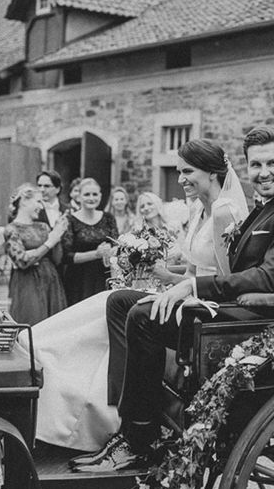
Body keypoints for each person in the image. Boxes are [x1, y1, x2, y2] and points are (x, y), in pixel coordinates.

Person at [74, 126, 274, 472]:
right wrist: (185, 282)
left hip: (262, 318)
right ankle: (134, 415)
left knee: (144, 317)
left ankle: (140, 439)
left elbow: (271, 277)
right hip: (239, 305)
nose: (263, 173)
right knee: (121, 302)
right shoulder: (267, 205)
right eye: (255, 165)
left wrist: (194, 288)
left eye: (272, 163)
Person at [20, 138, 249, 451]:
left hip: (208, 309)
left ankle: (139, 424)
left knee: (136, 311)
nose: (181, 179)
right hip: (190, 295)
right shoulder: (199, 210)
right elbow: (194, 273)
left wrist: (177, 291)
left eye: (187, 171)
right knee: (117, 299)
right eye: (178, 171)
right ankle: (118, 403)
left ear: (212, 172)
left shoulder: (224, 212)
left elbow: (224, 280)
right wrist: (164, 277)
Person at [4, 184, 67, 325]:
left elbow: (57, 259)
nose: (42, 206)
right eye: (38, 201)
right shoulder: (12, 229)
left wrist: (58, 234)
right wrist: (50, 242)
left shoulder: (43, 227)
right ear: (25, 201)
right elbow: (22, 261)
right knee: (32, 325)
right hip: (27, 284)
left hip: (51, 280)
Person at [61, 177, 118, 304]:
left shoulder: (108, 218)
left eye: (95, 194)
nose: (91, 198)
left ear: (100, 195)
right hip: (78, 280)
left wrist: (112, 251)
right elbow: (66, 257)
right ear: (79, 197)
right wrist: (96, 254)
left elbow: (117, 245)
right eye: (87, 194)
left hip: (103, 276)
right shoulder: (70, 220)